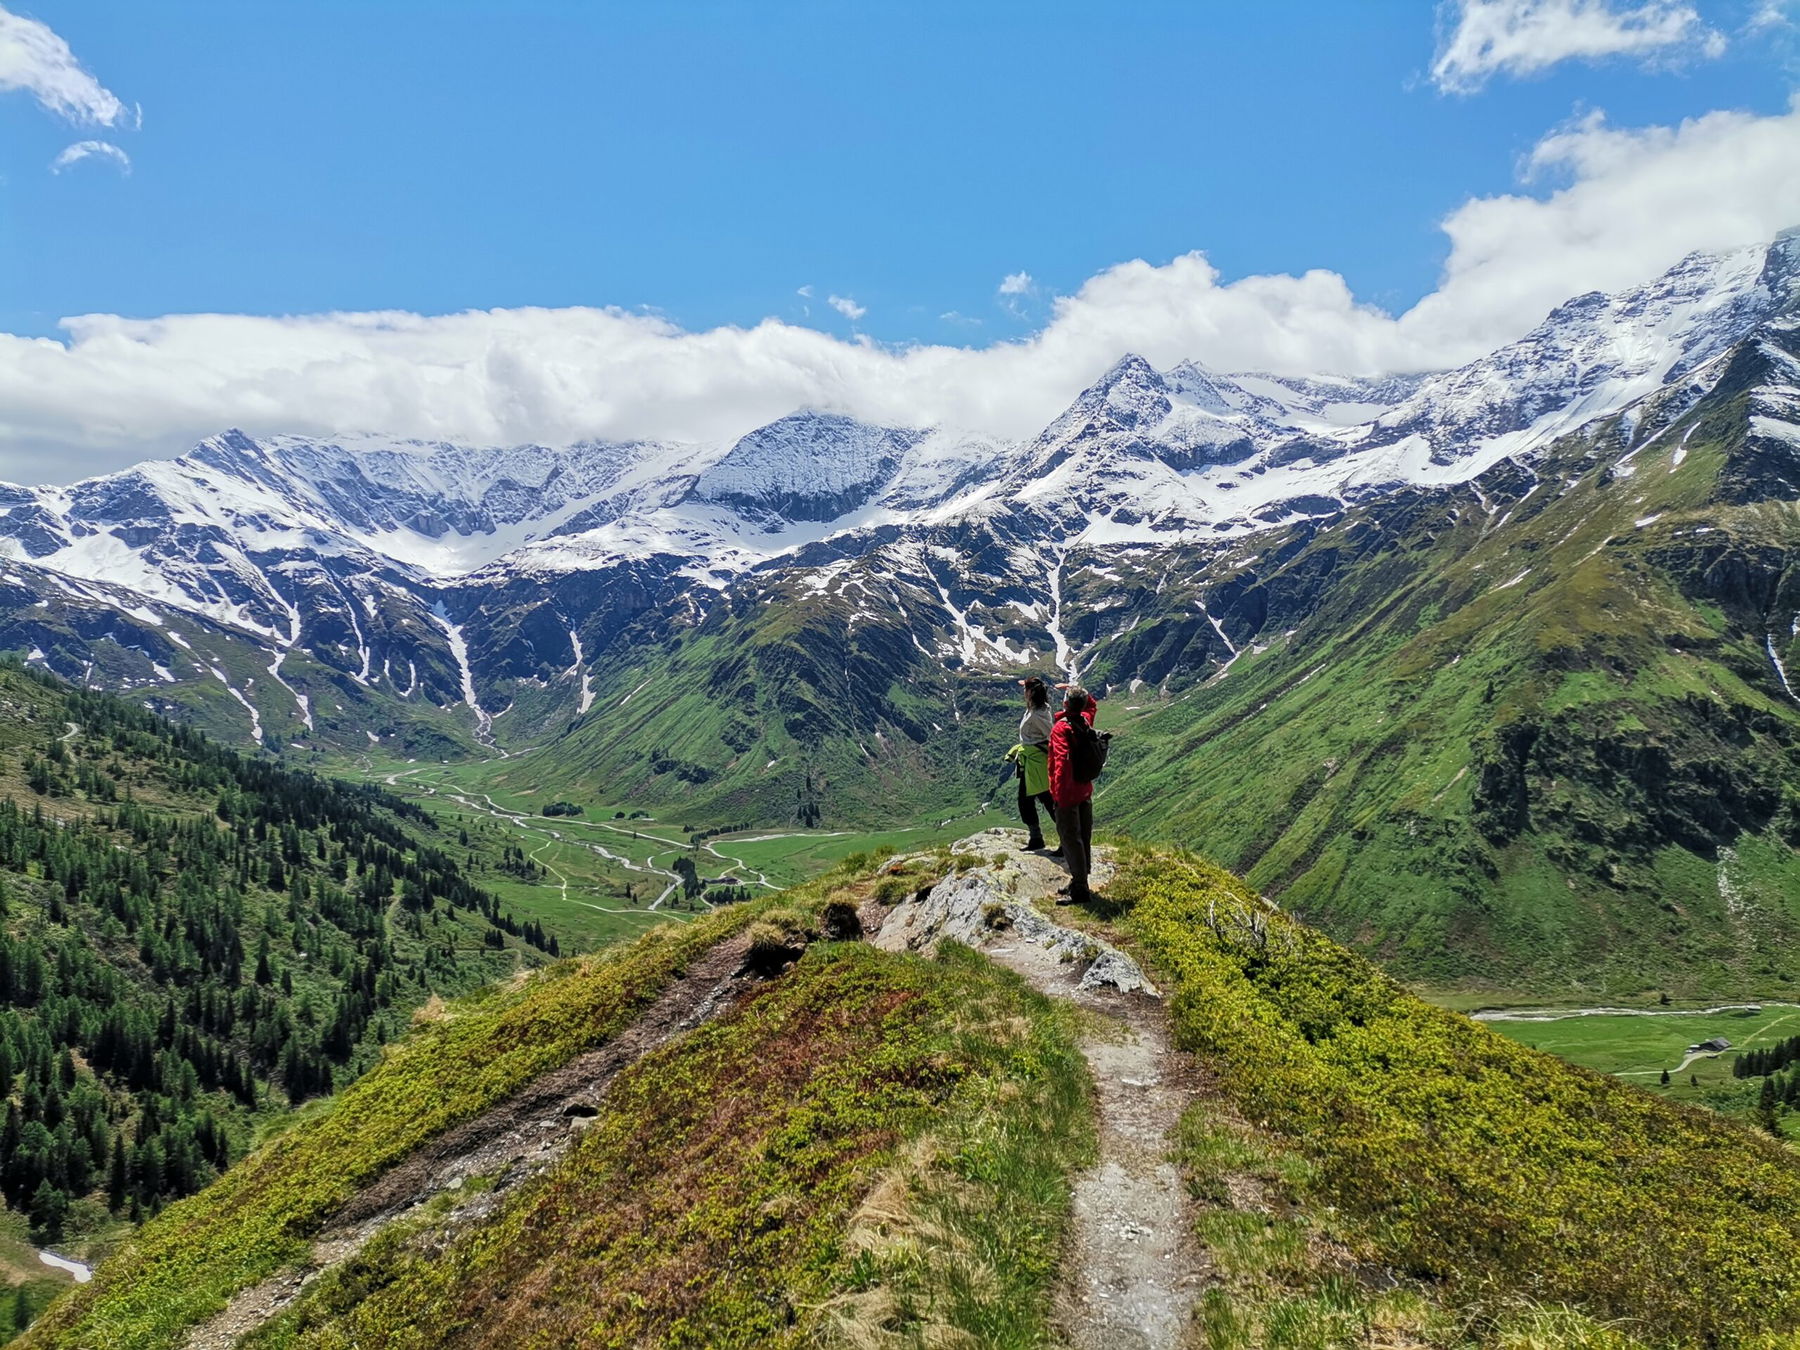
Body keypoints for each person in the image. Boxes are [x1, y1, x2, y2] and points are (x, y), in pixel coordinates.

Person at [1047, 686, 1098, 904]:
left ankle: (1079, 890)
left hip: (1068, 793)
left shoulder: (1062, 728)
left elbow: (1062, 762)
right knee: (1083, 837)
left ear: (1066, 704)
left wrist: (1059, 795)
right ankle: (1080, 879)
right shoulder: (1085, 720)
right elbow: (1092, 705)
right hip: (1084, 790)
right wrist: (1077, 690)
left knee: (1070, 839)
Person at [1007, 677, 1059, 853]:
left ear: (1030, 692)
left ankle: (1063, 840)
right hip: (1031, 761)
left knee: (1046, 799)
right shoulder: (1035, 710)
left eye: (1025, 689)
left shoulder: (1037, 714)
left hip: (1037, 762)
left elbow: (1050, 734)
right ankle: (1036, 838)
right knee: (1027, 800)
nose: (1023, 692)